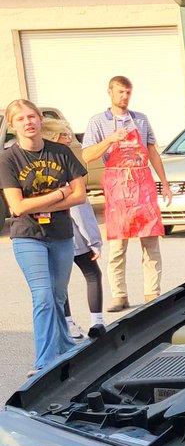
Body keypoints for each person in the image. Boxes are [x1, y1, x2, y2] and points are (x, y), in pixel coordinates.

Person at [0, 100, 87, 375]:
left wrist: (39, 203)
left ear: (40, 119)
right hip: (28, 235)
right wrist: (59, 194)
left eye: (31, 116)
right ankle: (44, 363)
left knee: (58, 296)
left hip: (61, 233)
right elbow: (18, 207)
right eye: (21, 119)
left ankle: (63, 349)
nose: (28, 122)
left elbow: (81, 195)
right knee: (43, 297)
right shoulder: (7, 159)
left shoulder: (61, 152)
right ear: (12, 126)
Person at [81, 76, 171, 311]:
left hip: (142, 182)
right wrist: (111, 139)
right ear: (110, 92)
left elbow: (152, 151)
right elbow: (87, 155)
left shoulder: (140, 119)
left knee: (150, 242)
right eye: (120, 92)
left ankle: (153, 293)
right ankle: (119, 295)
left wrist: (165, 183)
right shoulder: (98, 122)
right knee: (118, 245)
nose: (124, 96)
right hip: (117, 184)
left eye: (128, 92)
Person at [42, 117, 106, 339]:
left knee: (60, 280)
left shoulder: (40, 164)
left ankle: (68, 323)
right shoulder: (66, 162)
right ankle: (97, 321)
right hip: (74, 235)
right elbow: (81, 211)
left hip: (48, 232)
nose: (70, 138)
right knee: (92, 273)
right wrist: (94, 241)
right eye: (64, 134)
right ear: (53, 138)